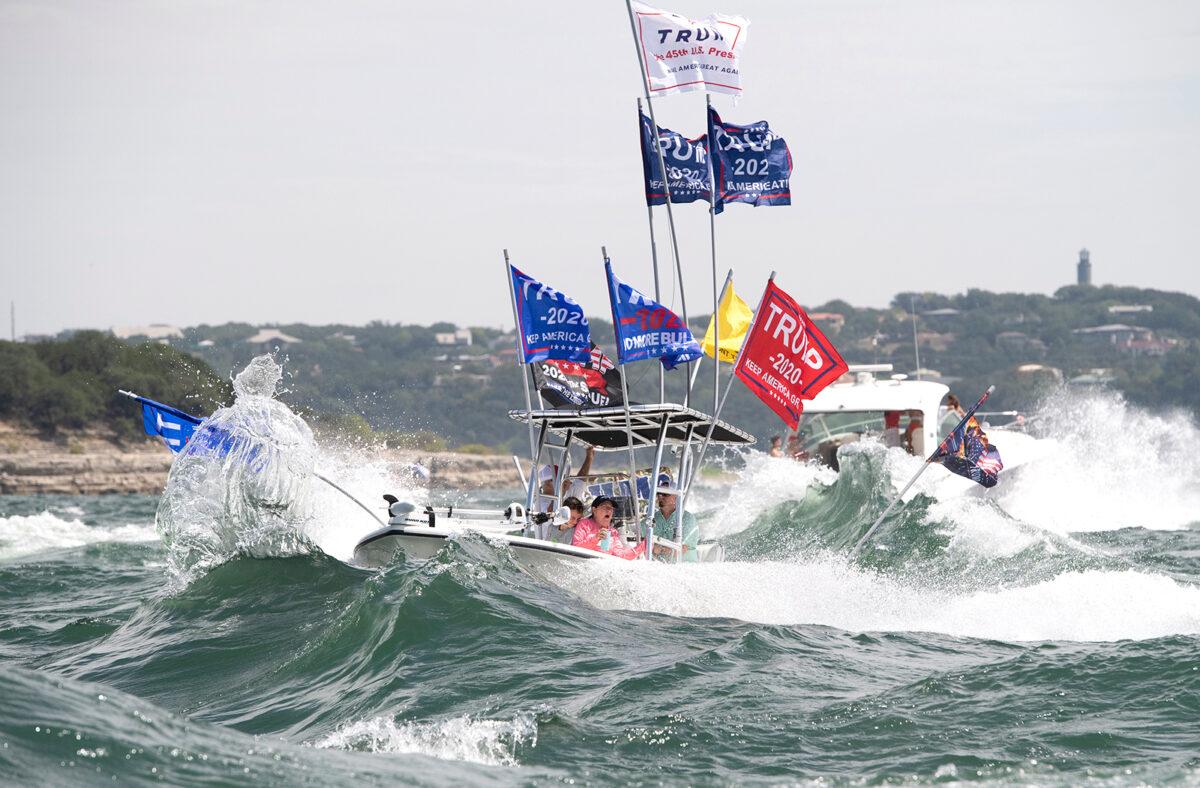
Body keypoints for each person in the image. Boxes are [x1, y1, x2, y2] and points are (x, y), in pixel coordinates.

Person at [571, 496, 643, 559]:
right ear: (594, 510)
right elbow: (576, 548)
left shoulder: (613, 531)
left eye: (611, 508)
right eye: (604, 507)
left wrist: (642, 546)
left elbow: (621, 555)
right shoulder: (584, 524)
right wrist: (595, 538)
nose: (609, 510)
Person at [651, 478, 700, 562]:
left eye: (665, 494)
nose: (660, 496)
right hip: (661, 568)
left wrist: (658, 549)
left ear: (676, 497)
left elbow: (678, 550)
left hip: (686, 569)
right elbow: (639, 538)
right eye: (658, 493)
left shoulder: (688, 519)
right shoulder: (653, 517)